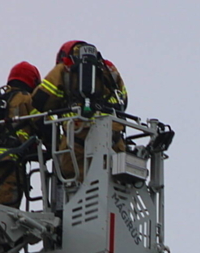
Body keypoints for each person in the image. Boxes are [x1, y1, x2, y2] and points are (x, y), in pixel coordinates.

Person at [31, 40, 128, 183]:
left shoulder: (65, 68)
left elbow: (40, 100)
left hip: (77, 137)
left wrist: (61, 105)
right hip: (112, 137)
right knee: (112, 180)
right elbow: (123, 100)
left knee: (75, 183)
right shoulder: (109, 69)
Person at [0, 61, 40, 207]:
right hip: (9, 161)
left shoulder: (0, 100)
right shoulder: (27, 99)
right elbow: (44, 124)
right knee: (6, 210)